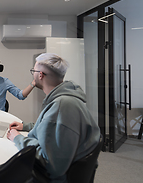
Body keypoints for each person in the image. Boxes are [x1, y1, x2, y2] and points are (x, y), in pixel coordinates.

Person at [7, 53, 100, 182]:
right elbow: (53, 127)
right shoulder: (68, 99)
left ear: (40, 75)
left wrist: (17, 138)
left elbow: (51, 165)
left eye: (33, 71)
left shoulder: (61, 106)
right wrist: (26, 127)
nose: (33, 74)